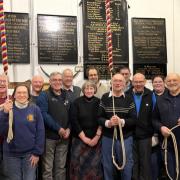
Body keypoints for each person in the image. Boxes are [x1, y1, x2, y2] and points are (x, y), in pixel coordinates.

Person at [0, 84, 45, 180]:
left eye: (24, 92)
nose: (22, 95)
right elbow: (2, 131)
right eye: (19, 93)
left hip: (30, 155)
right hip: (11, 155)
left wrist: (37, 153)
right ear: (14, 95)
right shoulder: (8, 109)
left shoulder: (35, 109)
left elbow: (40, 132)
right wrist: (4, 113)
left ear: (28, 95)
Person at [98, 73, 136, 180]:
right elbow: (99, 118)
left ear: (124, 84)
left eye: (120, 81)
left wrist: (121, 121)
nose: (118, 83)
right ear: (111, 83)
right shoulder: (105, 97)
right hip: (108, 138)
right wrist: (108, 123)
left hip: (125, 138)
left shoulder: (129, 99)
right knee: (107, 164)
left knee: (126, 165)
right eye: (115, 81)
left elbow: (134, 119)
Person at [37, 72, 70, 180]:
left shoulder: (66, 94)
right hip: (49, 138)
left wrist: (69, 128)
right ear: (50, 82)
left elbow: (72, 114)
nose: (57, 82)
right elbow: (43, 114)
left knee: (61, 167)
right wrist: (58, 128)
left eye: (59, 80)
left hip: (64, 138)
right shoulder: (44, 95)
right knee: (47, 168)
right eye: (54, 80)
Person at [70, 81, 103, 179]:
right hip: (79, 140)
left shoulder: (100, 102)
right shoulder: (76, 102)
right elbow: (74, 121)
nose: (89, 91)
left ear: (95, 90)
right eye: (86, 88)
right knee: (77, 166)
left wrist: (96, 137)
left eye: (91, 88)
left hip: (95, 141)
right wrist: (84, 138)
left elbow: (102, 119)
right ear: (83, 90)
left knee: (94, 167)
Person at [126, 73, 154, 180]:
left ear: (145, 82)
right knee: (132, 163)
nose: (138, 84)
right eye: (136, 82)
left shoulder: (151, 95)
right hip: (129, 135)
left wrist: (154, 133)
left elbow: (154, 114)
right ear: (132, 82)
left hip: (145, 136)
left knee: (145, 163)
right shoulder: (127, 94)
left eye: (140, 82)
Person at [152, 73, 180, 180]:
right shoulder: (160, 99)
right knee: (171, 173)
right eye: (169, 81)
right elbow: (154, 119)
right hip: (168, 143)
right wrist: (160, 128)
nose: (172, 83)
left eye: (174, 80)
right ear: (166, 83)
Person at [151, 75, 167, 180]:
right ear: (152, 83)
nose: (157, 83)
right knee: (154, 161)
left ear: (164, 82)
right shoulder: (148, 95)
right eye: (155, 82)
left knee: (167, 160)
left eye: (160, 81)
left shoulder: (170, 95)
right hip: (153, 133)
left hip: (167, 133)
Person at [0, 73, 10, 180]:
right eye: (0, 81)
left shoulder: (12, 98)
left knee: (6, 173)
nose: (2, 84)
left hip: (8, 143)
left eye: (4, 81)